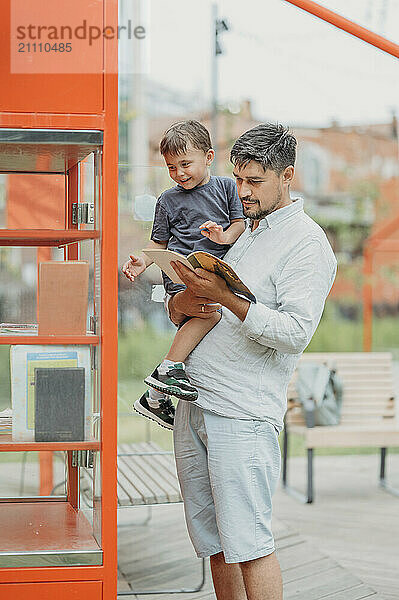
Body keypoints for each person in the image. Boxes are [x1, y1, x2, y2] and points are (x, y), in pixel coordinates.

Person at [166, 123, 337, 600]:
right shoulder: (244, 231)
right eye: (238, 179)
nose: (242, 192)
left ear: (288, 176)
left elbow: (296, 333)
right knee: (216, 543)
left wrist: (230, 300)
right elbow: (207, 308)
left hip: (241, 412)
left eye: (254, 182)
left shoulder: (308, 244)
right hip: (195, 399)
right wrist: (182, 303)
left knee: (250, 542)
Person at [122, 120, 245, 429]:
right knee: (210, 314)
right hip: (180, 273)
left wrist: (223, 237)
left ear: (209, 156)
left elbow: (239, 224)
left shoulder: (227, 188)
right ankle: (167, 370)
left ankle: (154, 396)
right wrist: (143, 262)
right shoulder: (167, 200)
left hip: (213, 272)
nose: (179, 173)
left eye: (185, 164)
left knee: (209, 316)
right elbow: (158, 242)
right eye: (171, 167)